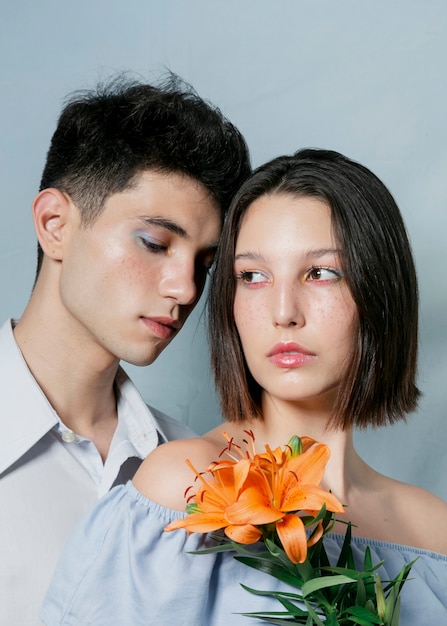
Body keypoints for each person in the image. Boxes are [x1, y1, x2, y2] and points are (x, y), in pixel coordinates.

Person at [41, 149, 447, 625]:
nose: (283, 311)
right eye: (252, 276)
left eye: (320, 273)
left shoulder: (432, 529)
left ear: (380, 289)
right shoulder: (188, 487)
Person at [0, 74, 250, 625]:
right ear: (54, 224)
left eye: (204, 264)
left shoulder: (205, 469)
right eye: (154, 244)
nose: (184, 289)